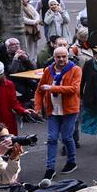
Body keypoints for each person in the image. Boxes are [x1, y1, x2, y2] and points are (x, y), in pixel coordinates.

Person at [35, 46, 81, 179]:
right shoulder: (48, 71)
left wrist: (52, 87)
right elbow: (39, 90)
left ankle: (71, 162)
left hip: (70, 111)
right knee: (51, 139)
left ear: (68, 56)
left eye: (64, 56)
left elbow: (74, 89)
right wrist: (37, 107)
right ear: (54, 58)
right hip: (53, 111)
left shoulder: (75, 69)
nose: (61, 59)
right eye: (58, 57)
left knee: (67, 137)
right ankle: (50, 169)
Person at [0, 61, 36, 136]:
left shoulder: (9, 85)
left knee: (8, 142)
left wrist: (23, 110)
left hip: (5, 120)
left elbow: (13, 102)